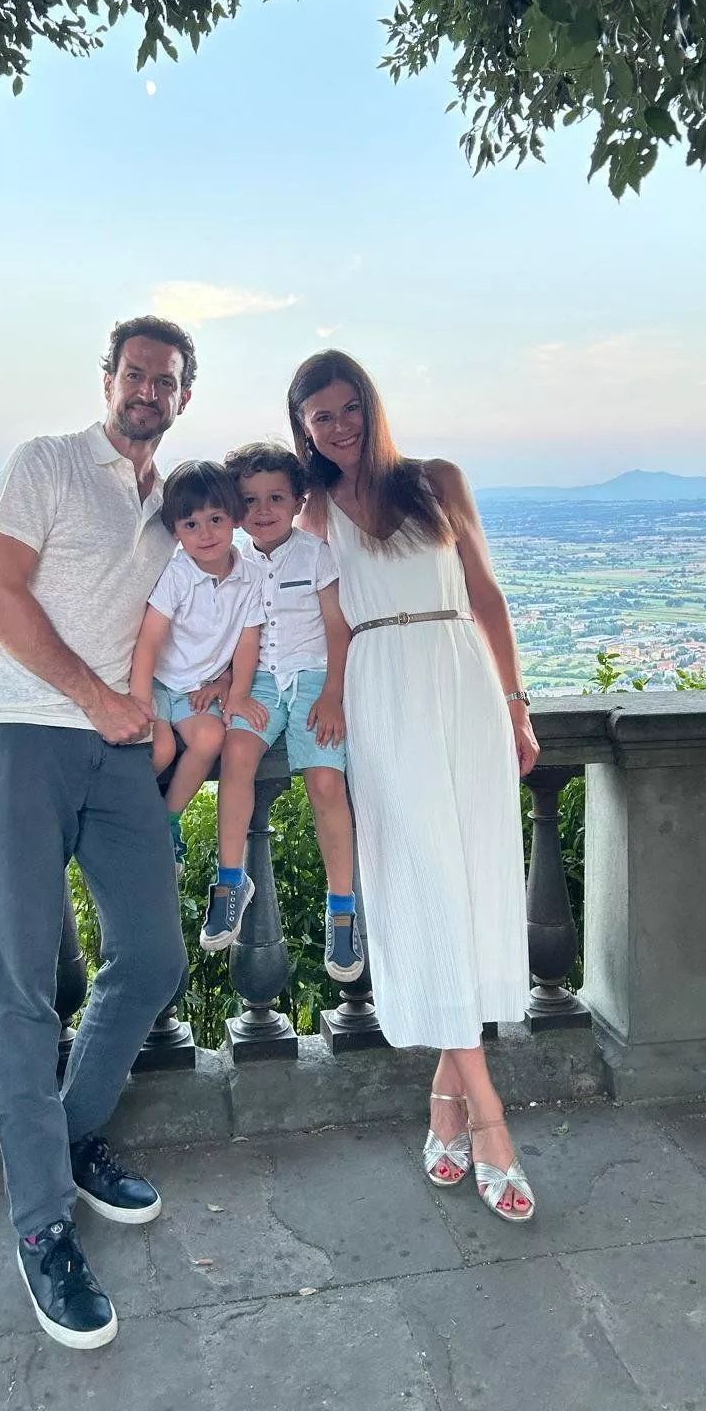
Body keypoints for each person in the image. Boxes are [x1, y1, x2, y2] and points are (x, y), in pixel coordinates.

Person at [0, 315, 196, 1350]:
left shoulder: (176, 505)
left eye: (166, 379)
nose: (147, 390)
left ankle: (71, 1133)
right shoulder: (47, 463)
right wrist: (95, 697)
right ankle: (43, 1223)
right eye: (134, 373)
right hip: (19, 729)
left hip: (120, 746)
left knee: (151, 957)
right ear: (109, 381)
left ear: (183, 397)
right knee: (19, 982)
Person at [287, 349, 541, 1223]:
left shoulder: (437, 481)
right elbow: (312, 606)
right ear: (303, 428)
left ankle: (444, 1105)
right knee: (425, 885)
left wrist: (515, 705)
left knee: (464, 888)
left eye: (348, 405)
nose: (337, 424)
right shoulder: (313, 507)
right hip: (382, 689)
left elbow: (488, 598)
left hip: (462, 684)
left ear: (371, 405)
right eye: (319, 415)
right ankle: (492, 1122)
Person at [217, 441, 363, 983]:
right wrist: (221, 681)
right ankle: (231, 878)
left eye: (275, 497)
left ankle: (342, 908)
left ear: (298, 499)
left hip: (312, 679)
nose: (262, 509)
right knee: (236, 758)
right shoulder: (231, 560)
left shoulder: (315, 553)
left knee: (326, 783)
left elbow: (336, 627)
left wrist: (333, 694)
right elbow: (228, 630)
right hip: (255, 681)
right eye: (249, 499)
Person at [128, 460, 266, 937]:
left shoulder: (250, 575)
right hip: (158, 683)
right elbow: (149, 641)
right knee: (160, 750)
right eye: (191, 524)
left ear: (234, 519)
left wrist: (234, 689)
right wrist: (141, 704)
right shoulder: (179, 574)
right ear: (176, 531)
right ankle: (137, 825)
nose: (205, 533)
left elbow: (248, 641)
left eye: (216, 520)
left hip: (198, 688)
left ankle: (167, 822)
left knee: (210, 738)